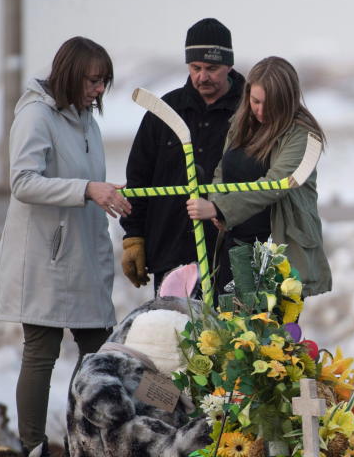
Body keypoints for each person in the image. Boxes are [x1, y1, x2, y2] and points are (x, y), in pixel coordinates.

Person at [0, 36, 131, 457]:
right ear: (70, 74)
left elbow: (87, 183)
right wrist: (87, 190)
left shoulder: (86, 119)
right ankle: (34, 449)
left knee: (98, 350)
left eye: (104, 81)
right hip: (45, 257)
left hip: (84, 252)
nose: (99, 90)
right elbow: (23, 182)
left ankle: (83, 443)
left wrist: (109, 198)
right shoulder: (36, 115)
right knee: (41, 349)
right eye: (93, 80)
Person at [185, 56, 332, 299]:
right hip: (237, 247)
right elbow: (222, 170)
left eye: (271, 105)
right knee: (230, 328)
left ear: (288, 101)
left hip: (278, 251)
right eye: (255, 101)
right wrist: (218, 206)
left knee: (268, 333)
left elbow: (274, 185)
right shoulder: (242, 123)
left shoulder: (304, 136)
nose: (261, 111)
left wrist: (217, 207)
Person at [120, 18, 245, 293]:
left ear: (229, 65)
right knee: (172, 334)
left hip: (232, 260)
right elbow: (139, 177)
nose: (203, 76)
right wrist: (134, 237)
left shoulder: (249, 112)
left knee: (229, 337)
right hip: (172, 256)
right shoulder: (164, 112)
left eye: (212, 68)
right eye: (195, 68)